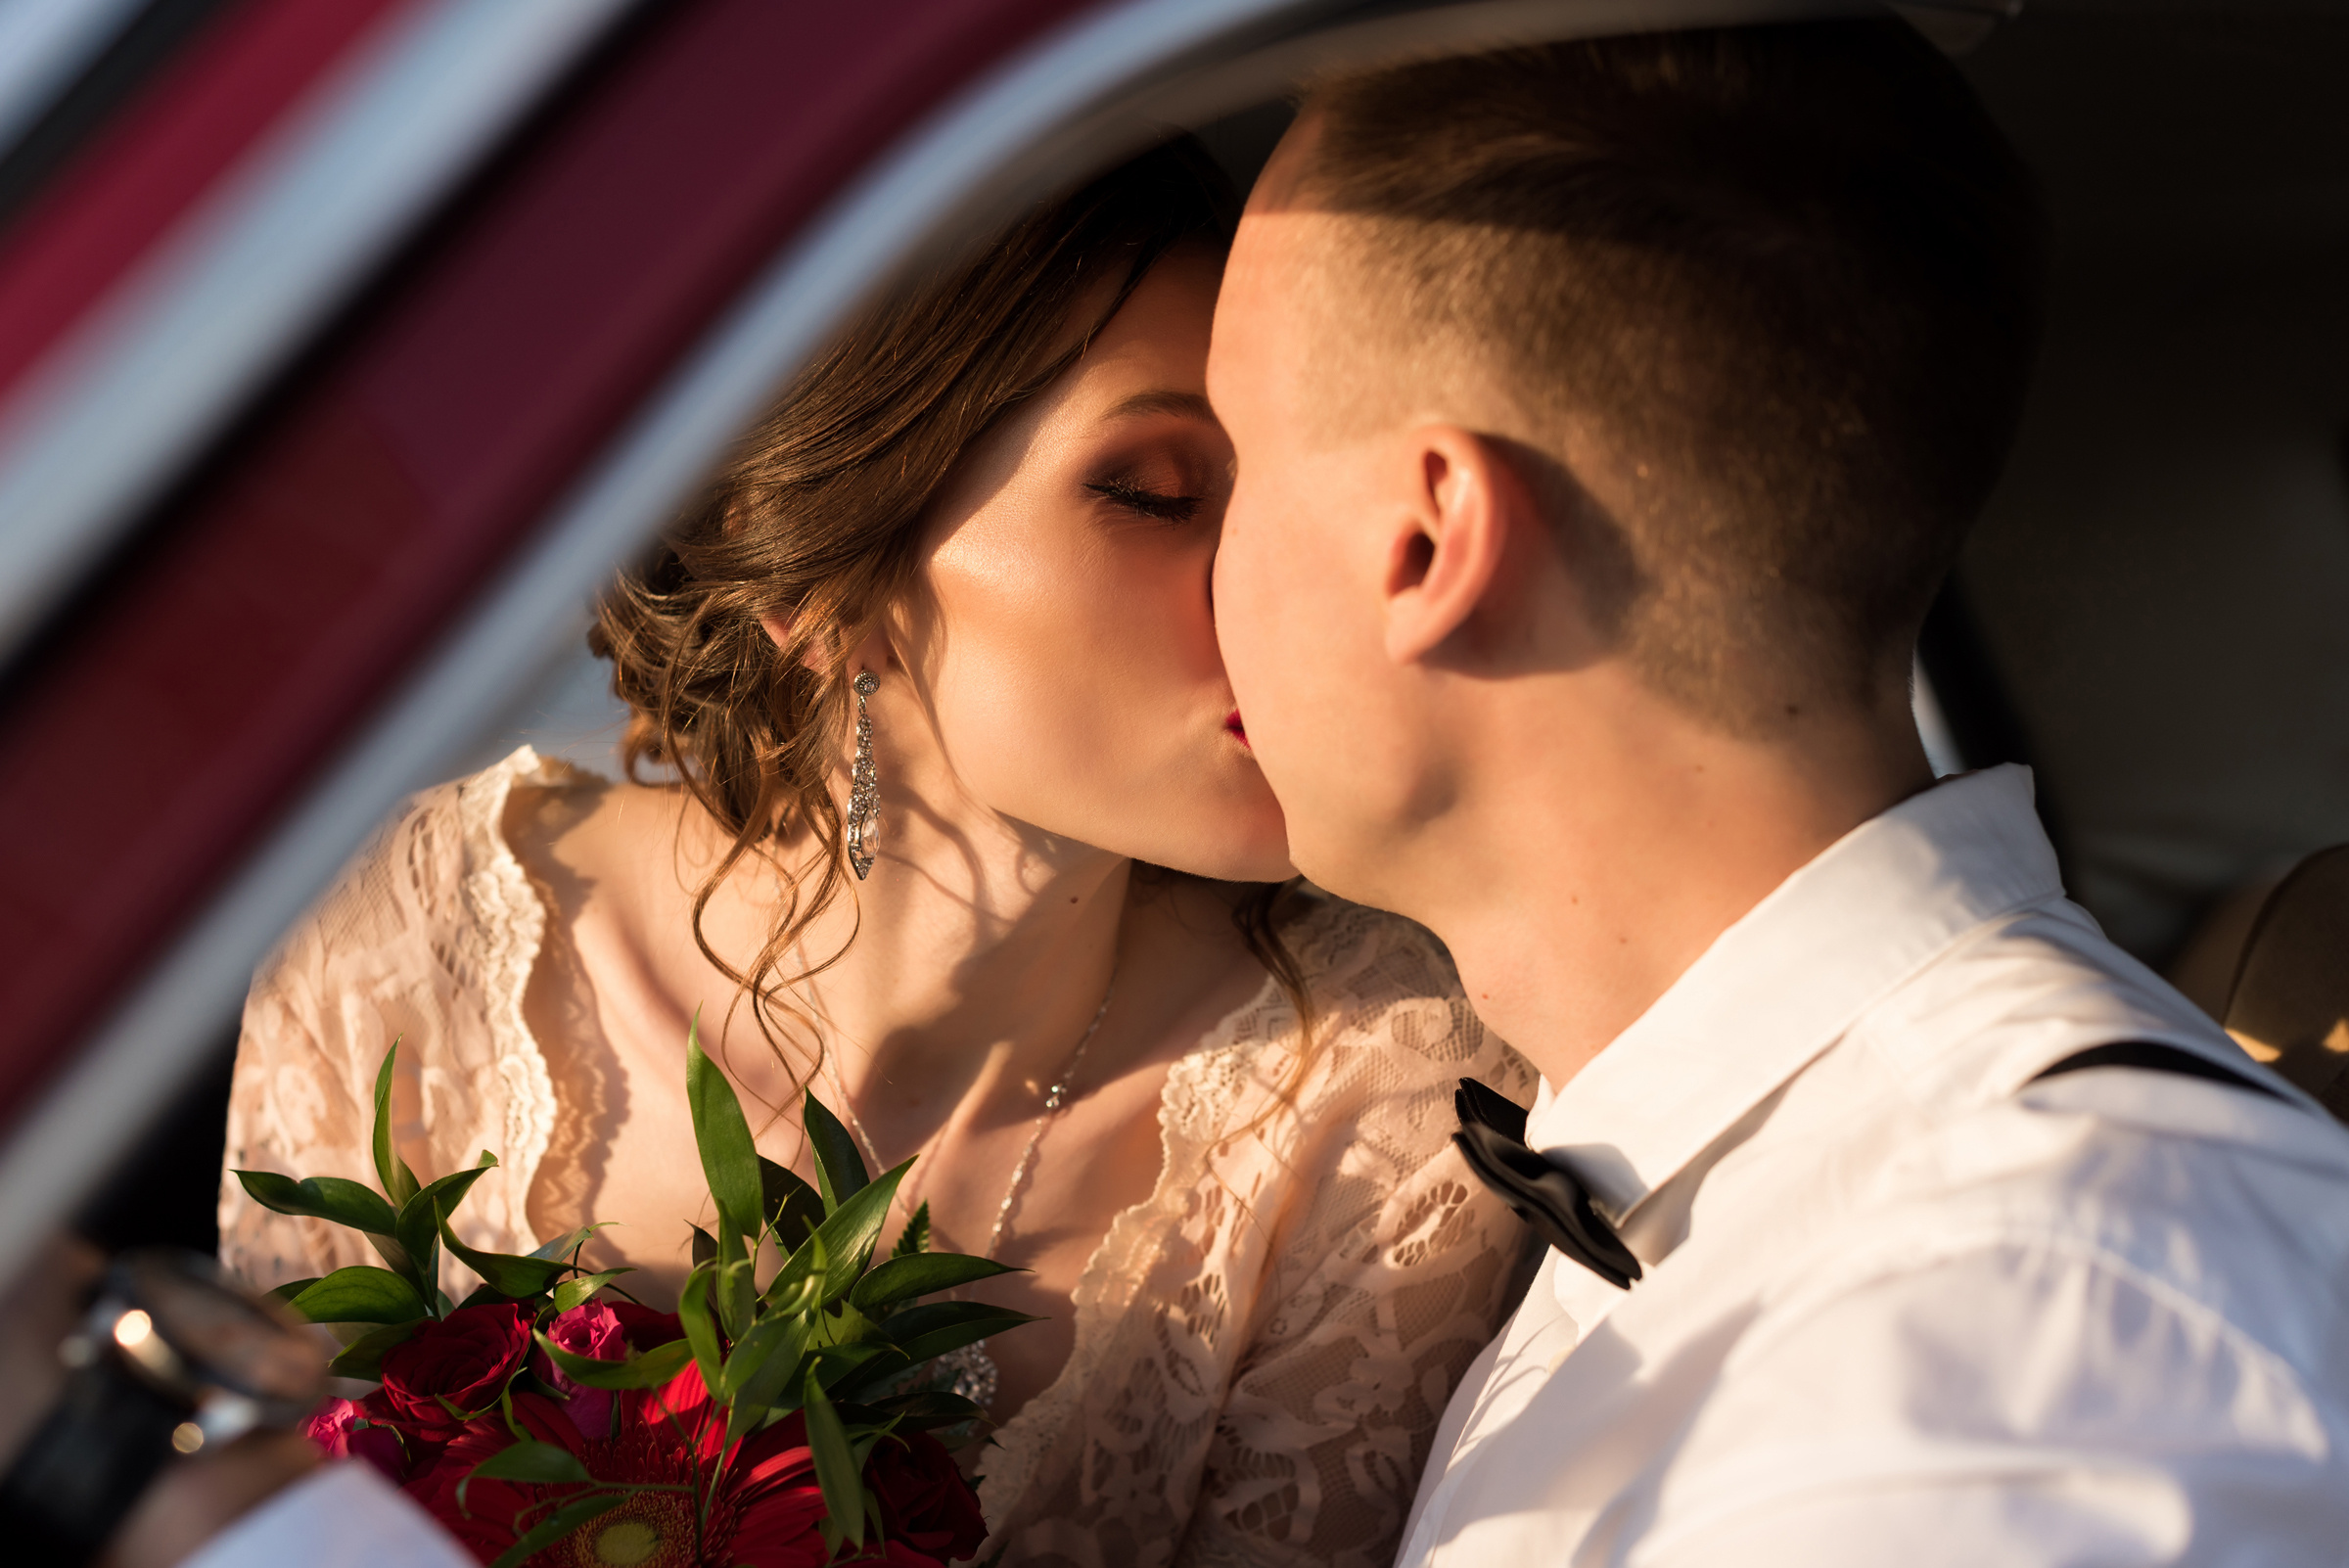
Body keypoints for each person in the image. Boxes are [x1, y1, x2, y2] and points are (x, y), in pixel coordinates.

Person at [218, 138, 1531, 1568]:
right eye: (1158, 491)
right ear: (822, 577)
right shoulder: (410, 951)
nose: (1286, 584)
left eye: (1277, 491)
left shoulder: (1378, 1093)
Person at [1207, 20, 2349, 1566]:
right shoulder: (1753, 1208)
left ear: (1424, 545)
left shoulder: (2016, 1346)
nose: (1201, 572)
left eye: (1226, 464)